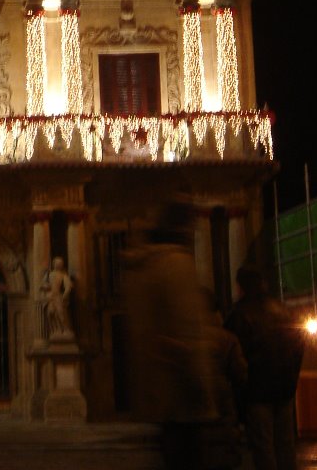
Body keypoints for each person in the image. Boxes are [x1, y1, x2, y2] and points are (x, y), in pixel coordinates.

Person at [123, 196, 215, 470]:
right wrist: (203, 386)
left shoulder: (140, 266)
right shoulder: (176, 263)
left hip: (157, 391)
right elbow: (189, 331)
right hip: (183, 390)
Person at [224, 265, 305, 470]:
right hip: (285, 389)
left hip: (256, 391)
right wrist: (292, 379)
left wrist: (241, 387)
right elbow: (299, 347)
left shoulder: (239, 315)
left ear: (240, 286)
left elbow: (236, 356)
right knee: (286, 445)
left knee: (263, 447)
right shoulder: (284, 311)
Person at [200, 288, 248, 470]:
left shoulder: (186, 337)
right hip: (222, 401)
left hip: (196, 406)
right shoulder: (227, 338)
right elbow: (240, 373)